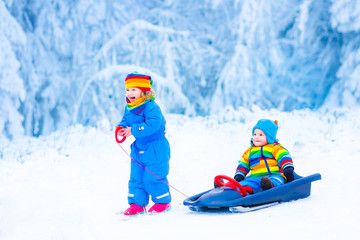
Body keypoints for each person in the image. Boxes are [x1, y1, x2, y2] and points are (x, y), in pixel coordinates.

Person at [117, 73, 171, 216]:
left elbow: (154, 124)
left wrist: (133, 130)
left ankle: (162, 202)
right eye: (128, 90)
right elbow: (125, 120)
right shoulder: (129, 107)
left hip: (155, 147)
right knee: (136, 176)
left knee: (153, 176)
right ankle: (137, 204)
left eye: (134, 90)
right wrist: (121, 128)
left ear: (143, 91)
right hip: (138, 147)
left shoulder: (151, 107)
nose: (130, 93)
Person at [231, 119, 294, 193]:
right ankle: (235, 190)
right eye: (255, 134)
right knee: (244, 183)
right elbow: (243, 163)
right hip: (255, 178)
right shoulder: (250, 151)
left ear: (269, 137)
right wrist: (239, 175)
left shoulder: (274, 147)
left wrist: (288, 168)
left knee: (277, 181)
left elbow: (283, 156)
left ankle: (270, 186)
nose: (257, 137)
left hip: (274, 175)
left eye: (261, 135)